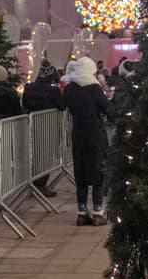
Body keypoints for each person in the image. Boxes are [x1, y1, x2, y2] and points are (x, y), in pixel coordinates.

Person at [63, 57, 111, 225]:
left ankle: (82, 212)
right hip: (95, 133)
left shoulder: (70, 89)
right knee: (98, 171)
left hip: (77, 133)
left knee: (81, 172)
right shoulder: (94, 88)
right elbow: (107, 108)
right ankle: (98, 211)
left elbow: (64, 105)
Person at [22, 61, 66, 198]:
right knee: (46, 156)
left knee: (34, 155)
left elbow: (25, 104)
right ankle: (41, 186)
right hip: (48, 126)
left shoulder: (29, 87)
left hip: (31, 125)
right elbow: (62, 106)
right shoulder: (53, 90)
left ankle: (33, 183)